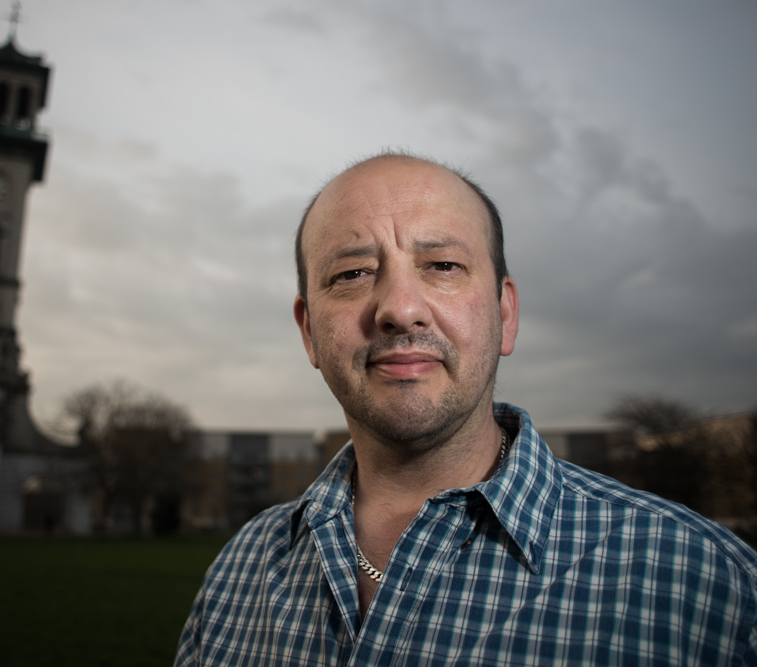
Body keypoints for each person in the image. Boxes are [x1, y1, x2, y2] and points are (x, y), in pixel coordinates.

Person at [175, 152, 757, 665]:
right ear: (308, 333)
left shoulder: (705, 582)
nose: (400, 309)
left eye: (443, 266)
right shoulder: (240, 571)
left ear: (505, 312)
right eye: (352, 273)